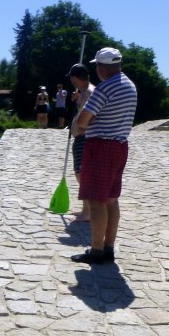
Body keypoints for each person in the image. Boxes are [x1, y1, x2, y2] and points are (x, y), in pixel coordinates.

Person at [70, 47, 137, 264]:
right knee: (111, 199)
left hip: (100, 147)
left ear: (101, 67)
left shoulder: (104, 88)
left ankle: (96, 250)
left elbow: (82, 122)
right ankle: (108, 247)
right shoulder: (129, 85)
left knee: (97, 200)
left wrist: (85, 117)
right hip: (120, 146)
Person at [68, 63, 95, 221]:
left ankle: (88, 212)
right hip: (80, 137)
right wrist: (77, 100)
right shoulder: (83, 92)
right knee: (80, 173)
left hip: (85, 137)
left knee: (82, 173)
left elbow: (93, 114)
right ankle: (85, 209)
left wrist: (84, 129)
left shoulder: (90, 92)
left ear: (75, 78)